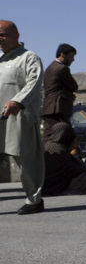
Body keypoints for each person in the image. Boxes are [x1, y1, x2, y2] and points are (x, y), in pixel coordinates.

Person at [0, 20, 45, 214]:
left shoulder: (29, 58)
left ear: (16, 35)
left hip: (19, 116)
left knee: (25, 159)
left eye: (2, 34)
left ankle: (34, 200)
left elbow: (34, 82)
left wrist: (17, 101)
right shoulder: (1, 61)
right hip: (1, 117)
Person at [42, 122, 86, 196]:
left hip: (45, 185)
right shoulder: (59, 149)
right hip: (55, 185)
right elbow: (73, 170)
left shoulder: (48, 145)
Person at [42, 43, 78, 141]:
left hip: (49, 108)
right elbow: (74, 86)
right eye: (71, 56)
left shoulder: (50, 67)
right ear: (63, 54)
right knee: (63, 137)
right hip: (58, 109)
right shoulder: (62, 69)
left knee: (49, 136)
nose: (73, 59)